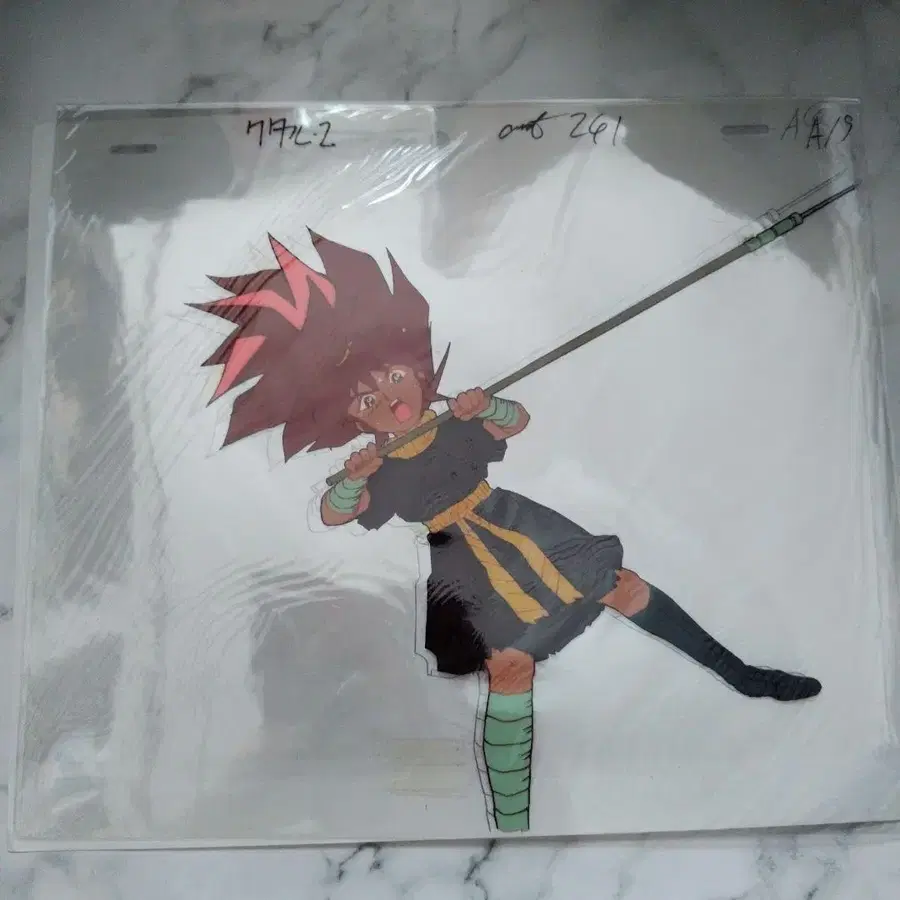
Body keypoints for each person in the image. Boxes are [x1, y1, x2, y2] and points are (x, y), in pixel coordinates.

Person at [195, 232, 822, 834]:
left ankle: (742, 676)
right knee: (510, 668)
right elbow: (337, 514)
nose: (389, 399)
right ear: (349, 419)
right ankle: (513, 818)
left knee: (623, 587)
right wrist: (352, 481)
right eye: (366, 400)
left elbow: (514, 421)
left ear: (415, 367)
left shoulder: (451, 420)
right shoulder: (377, 464)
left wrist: (484, 407)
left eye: (393, 377)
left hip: (519, 525)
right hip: (462, 563)